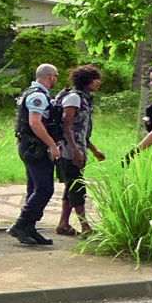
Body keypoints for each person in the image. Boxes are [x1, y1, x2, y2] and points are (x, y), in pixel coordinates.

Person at [8, 63, 63, 247]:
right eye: (55, 76)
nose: (56, 79)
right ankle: (20, 225)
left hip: (30, 146)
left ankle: (29, 228)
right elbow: (35, 123)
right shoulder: (38, 96)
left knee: (34, 188)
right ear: (50, 76)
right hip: (35, 148)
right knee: (45, 189)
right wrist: (52, 145)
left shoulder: (32, 93)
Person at [53, 65, 105, 236]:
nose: (99, 82)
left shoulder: (84, 98)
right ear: (87, 80)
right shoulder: (74, 98)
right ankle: (85, 226)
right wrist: (75, 151)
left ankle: (63, 224)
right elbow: (67, 127)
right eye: (96, 78)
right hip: (68, 150)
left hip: (76, 148)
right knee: (77, 187)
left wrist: (94, 150)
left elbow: (81, 130)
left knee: (71, 186)